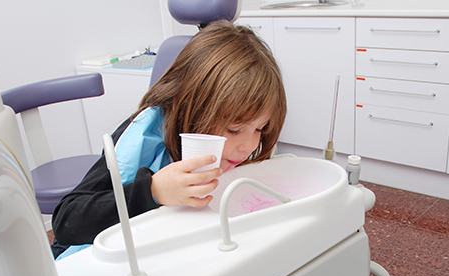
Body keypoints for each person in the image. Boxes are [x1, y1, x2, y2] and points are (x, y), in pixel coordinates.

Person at [51, 20, 287, 258]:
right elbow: (65, 222)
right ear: (187, 108)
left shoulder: (237, 151)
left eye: (260, 129)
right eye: (234, 130)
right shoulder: (145, 137)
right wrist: (153, 192)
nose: (249, 146)